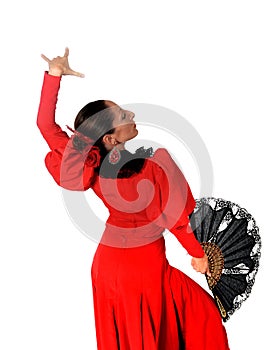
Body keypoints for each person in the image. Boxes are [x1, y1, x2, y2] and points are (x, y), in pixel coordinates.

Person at [37, 48, 230, 349]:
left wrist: (54, 76)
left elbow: (46, 127)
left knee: (123, 333)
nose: (132, 115)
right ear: (111, 138)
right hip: (145, 266)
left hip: (107, 263)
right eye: (123, 116)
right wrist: (198, 254)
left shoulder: (89, 161)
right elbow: (178, 219)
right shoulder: (156, 168)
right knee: (200, 314)